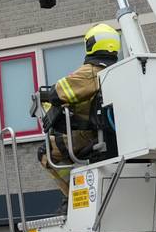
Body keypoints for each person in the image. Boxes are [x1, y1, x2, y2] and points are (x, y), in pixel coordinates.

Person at [35, 23, 120, 195]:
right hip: (115, 136)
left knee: (46, 154)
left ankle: (72, 194)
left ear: (90, 45)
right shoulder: (119, 71)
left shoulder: (89, 72)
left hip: (90, 136)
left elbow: (57, 94)